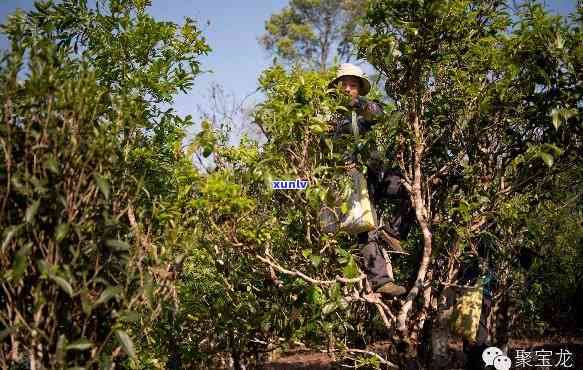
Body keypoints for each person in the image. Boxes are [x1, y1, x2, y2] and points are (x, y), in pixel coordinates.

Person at [326, 63, 415, 296]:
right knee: (366, 228)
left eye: (352, 85)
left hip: (378, 174)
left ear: (358, 90)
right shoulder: (328, 117)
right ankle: (381, 281)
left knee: (413, 189)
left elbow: (381, 114)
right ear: (335, 88)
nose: (347, 89)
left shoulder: (365, 110)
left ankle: (394, 231)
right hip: (353, 179)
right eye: (343, 85)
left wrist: (360, 105)